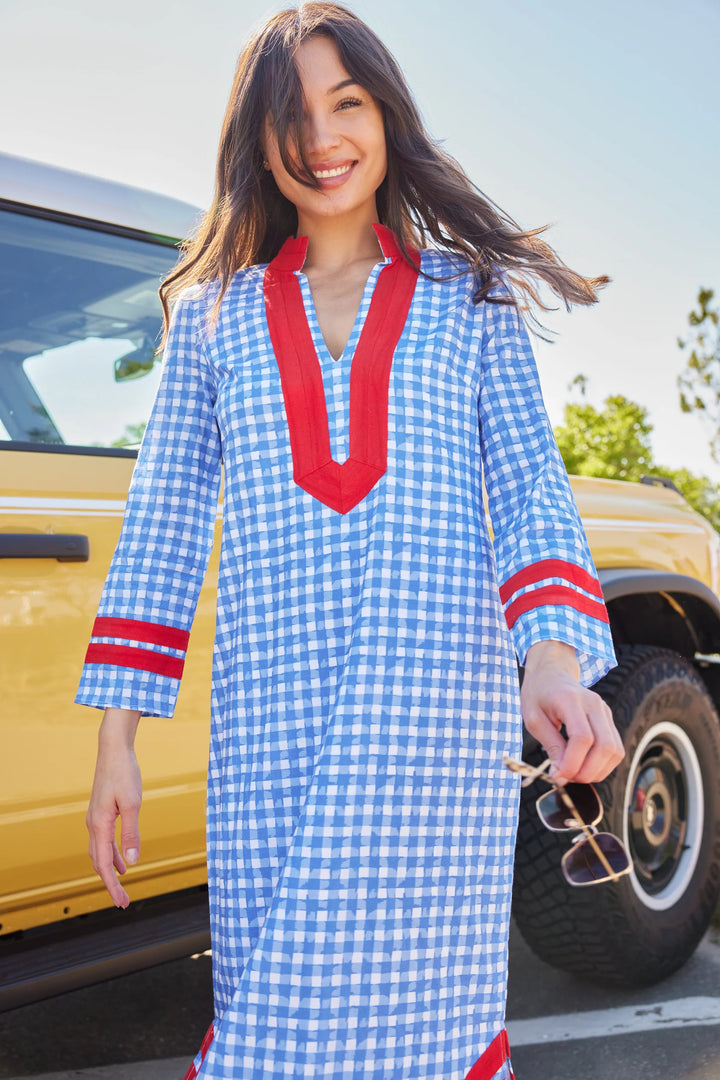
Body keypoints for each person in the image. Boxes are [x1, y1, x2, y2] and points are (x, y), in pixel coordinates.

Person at [77, 4, 624, 1078]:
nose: (322, 139)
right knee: (272, 1022)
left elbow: (529, 493)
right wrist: (116, 744)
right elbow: (164, 524)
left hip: (437, 737)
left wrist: (554, 664)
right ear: (256, 140)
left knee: (433, 1031)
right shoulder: (212, 317)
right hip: (270, 738)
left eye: (348, 104)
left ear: (387, 117)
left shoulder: (472, 300)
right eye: (292, 115)